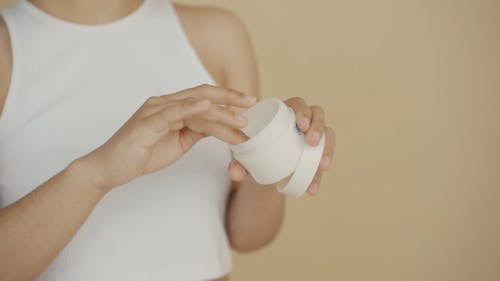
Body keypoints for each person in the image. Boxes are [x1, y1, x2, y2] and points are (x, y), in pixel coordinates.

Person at [0, 0, 335, 280]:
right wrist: (96, 174)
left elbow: (245, 234)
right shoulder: (9, 47)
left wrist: (280, 153)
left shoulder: (217, 35)